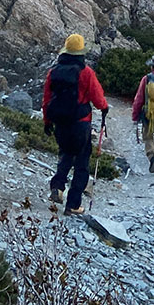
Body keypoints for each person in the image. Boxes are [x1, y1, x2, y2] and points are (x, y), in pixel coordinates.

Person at [42, 32, 108, 216]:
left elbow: (47, 99)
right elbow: (97, 97)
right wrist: (104, 108)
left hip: (60, 123)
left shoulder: (53, 72)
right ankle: (73, 204)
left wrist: (47, 121)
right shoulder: (86, 73)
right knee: (81, 163)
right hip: (80, 124)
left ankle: (57, 186)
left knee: (65, 155)